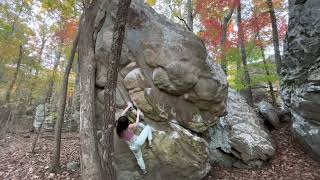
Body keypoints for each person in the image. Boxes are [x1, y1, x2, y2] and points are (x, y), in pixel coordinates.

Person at [116, 102, 153, 175]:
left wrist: (128, 107)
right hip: (138, 141)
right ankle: (150, 142)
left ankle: (144, 171)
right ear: (126, 123)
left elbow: (121, 115)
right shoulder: (129, 127)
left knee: (139, 158)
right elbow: (136, 123)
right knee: (148, 127)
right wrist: (138, 114)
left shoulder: (118, 128)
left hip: (132, 147)